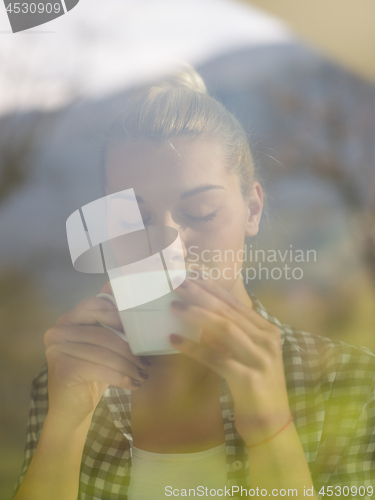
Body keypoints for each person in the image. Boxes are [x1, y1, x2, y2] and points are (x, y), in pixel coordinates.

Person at [13, 65, 375, 500]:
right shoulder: (72, 382)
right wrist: (64, 429)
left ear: (253, 210)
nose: (168, 249)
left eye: (201, 212)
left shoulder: (353, 384)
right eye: (135, 220)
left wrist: (270, 429)